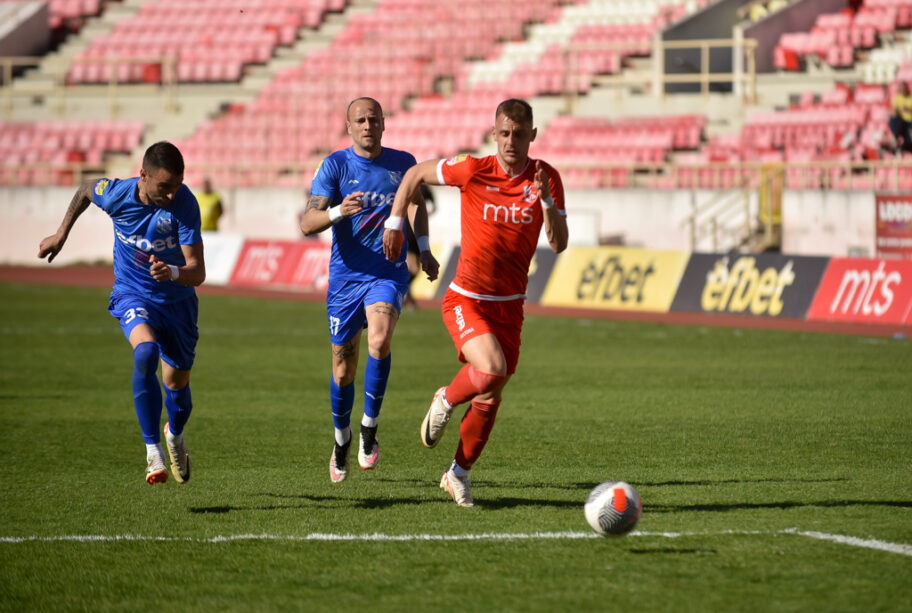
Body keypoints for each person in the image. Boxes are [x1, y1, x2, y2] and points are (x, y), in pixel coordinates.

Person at [382, 98, 569, 507]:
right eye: (504, 134)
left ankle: (458, 474)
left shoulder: (545, 178)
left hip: (511, 305)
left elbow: (558, 243)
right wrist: (396, 221)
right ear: (494, 133)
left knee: (490, 393)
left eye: (520, 135)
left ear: (532, 135)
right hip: (467, 298)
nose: (511, 142)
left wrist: (549, 205)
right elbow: (414, 174)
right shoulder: (474, 169)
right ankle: (446, 398)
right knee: (491, 368)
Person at [37, 141, 205, 486]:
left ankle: (173, 435)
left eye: (176, 186)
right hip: (133, 293)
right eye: (164, 187)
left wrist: (172, 273)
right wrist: (61, 234)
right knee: (145, 351)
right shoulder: (116, 194)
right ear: (142, 175)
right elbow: (85, 190)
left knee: (178, 388)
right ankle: (152, 450)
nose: (172, 195)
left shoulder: (184, 203)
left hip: (177, 304)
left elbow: (197, 271)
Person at [300, 97, 439, 483]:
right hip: (345, 280)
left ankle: (368, 428)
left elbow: (416, 206)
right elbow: (307, 223)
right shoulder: (335, 166)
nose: (367, 125)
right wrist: (337, 212)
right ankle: (341, 438)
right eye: (360, 120)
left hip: (387, 274)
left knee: (379, 341)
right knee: (343, 370)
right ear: (349, 127)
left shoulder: (402, 163)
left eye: (373, 119)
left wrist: (424, 250)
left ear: (383, 124)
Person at [402, 184, 437, 310]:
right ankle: (406, 295)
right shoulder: (406, 183)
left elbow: (433, 206)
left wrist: (424, 216)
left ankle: (405, 292)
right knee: (412, 267)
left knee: (415, 269)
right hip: (408, 230)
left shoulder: (424, 188)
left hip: (419, 231)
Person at [889, 81, 912, 153]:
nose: (903, 91)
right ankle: (896, 138)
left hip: (910, 120)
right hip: (902, 122)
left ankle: (898, 142)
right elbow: (893, 113)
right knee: (893, 119)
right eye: (901, 89)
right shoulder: (897, 99)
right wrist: (898, 110)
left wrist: (908, 109)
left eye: (904, 89)